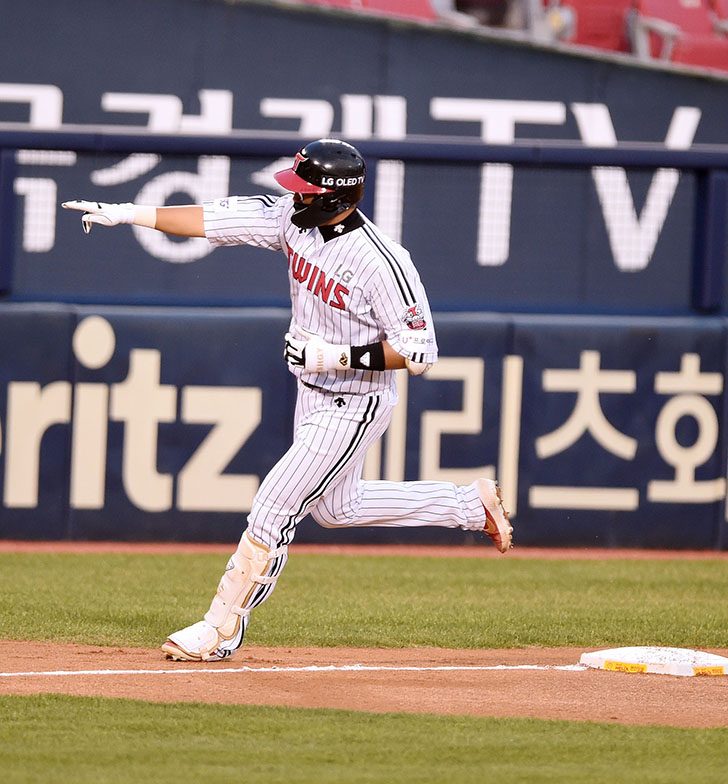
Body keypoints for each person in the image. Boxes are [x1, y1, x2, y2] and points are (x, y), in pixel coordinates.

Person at [62, 138, 513, 663]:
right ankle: (467, 506)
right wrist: (130, 214)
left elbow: (420, 351)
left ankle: (220, 628)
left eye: (304, 190)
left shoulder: (381, 261)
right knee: (337, 510)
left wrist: (331, 357)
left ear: (333, 196)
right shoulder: (290, 221)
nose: (293, 197)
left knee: (274, 505)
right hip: (312, 393)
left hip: (355, 399)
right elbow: (213, 220)